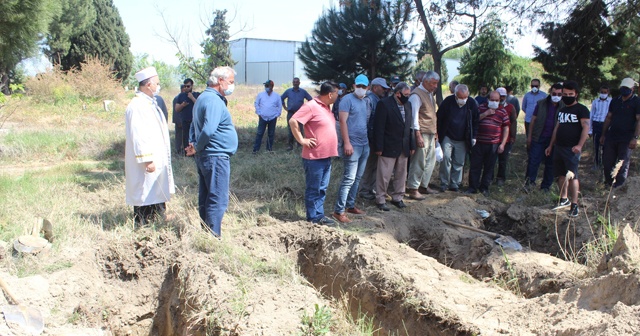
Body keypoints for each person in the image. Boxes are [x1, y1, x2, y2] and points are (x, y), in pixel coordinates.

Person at [186, 66, 238, 237]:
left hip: (207, 155)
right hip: (215, 156)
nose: (232, 85)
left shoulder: (202, 97)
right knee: (218, 198)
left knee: (207, 196)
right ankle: (213, 236)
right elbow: (208, 130)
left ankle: (206, 233)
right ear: (220, 80)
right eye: (230, 82)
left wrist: (194, 145)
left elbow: (193, 126)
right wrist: (198, 146)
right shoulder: (214, 100)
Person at [125, 67, 175, 224]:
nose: (158, 87)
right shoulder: (137, 105)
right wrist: (147, 159)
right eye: (157, 83)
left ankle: (158, 216)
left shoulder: (150, 103)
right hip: (147, 159)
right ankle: (142, 222)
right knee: (144, 190)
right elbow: (138, 135)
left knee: (156, 188)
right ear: (148, 84)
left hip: (157, 156)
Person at [290, 81, 340, 226]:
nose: (338, 96)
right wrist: (301, 140)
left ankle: (319, 215)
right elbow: (294, 121)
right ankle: (312, 218)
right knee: (314, 189)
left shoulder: (326, 107)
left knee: (322, 189)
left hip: (326, 156)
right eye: (337, 93)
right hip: (314, 158)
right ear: (330, 94)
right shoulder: (311, 106)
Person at [544, 80, 590, 218]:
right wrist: (551, 145)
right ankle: (564, 199)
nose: (567, 96)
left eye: (570, 94)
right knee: (560, 174)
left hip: (572, 149)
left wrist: (579, 146)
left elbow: (586, 128)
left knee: (573, 176)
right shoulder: (562, 110)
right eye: (565, 94)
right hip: (559, 147)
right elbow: (556, 129)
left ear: (576, 94)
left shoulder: (582, 109)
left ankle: (574, 204)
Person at [333, 74, 370, 223]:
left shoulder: (365, 102)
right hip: (352, 145)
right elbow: (342, 121)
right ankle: (338, 210)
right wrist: (346, 143)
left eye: (363, 86)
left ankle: (350, 205)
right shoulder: (347, 100)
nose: (360, 89)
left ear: (367, 87)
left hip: (364, 144)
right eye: (358, 86)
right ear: (354, 86)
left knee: (358, 178)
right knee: (349, 178)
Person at [372, 82, 415, 211]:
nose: (408, 97)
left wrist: (412, 144)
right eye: (406, 95)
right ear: (398, 94)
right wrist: (378, 147)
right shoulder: (384, 104)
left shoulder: (408, 105)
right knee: (384, 174)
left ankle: (398, 197)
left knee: (401, 174)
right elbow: (379, 128)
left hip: (403, 146)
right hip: (388, 145)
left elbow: (410, 126)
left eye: (409, 94)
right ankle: (380, 199)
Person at [437, 84, 479, 192]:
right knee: (445, 158)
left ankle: (454, 183)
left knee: (459, 162)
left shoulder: (472, 103)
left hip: (463, 138)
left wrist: (474, 136)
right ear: (455, 95)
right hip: (447, 136)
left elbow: (475, 121)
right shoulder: (448, 102)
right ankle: (444, 182)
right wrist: (437, 133)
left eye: (465, 97)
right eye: (460, 98)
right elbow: (439, 117)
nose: (463, 100)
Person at [466, 91, 510, 195]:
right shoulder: (480, 108)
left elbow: (506, 128)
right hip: (479, 143)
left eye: (497, 100)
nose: (494, 102)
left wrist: (502, 144)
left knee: (489, 167)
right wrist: (486, 114)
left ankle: (484, 188)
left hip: (493, 144)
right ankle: (472, 187)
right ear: (488, 99)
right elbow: (473, 120)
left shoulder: (502, 111)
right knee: (475, 166)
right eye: (492, 100)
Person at [407, 70, 441, 199]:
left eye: (436, 83)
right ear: (425, 82)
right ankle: (413, 188)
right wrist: (417, 135)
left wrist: (435, 131)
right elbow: (414, 117)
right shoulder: (416, 95)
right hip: (422, 133)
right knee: (418, 161)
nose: (435, 86)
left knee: (430, 162)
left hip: (430, 133)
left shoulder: (429, 94)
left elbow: (432, 115)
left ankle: (424, 186)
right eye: (433, 83)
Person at [601, 78, 640, 187]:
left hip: (627, 138)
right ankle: (608, 183)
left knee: (622, 163)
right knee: (607, 161)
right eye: (623, 88)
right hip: (612, 136)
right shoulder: (615, 100)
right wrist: (603, 134)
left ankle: (619, 186)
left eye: (627, 88)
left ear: (632, 89)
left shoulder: (637, 102)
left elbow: (638, 120)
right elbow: (609, 117)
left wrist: (635, 137)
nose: (624, 90)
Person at [526, 83, 564, 191]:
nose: (556, 96)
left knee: (551, 164)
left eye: (559, 94)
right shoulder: (541, 103)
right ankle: (529, 184)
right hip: (539, 137)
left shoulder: (564, 106)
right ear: (550, 92)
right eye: (554, 93)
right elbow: (533, 120)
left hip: (555, 140)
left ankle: (546, 186)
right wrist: (529, 136)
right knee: (533, 161)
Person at [359, 77, 390, 201]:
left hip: (374, 138)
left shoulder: (377, 99)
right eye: (382, 88)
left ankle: (369, 189)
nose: (384, 90)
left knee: (374, 165)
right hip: (370, 139)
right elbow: (366, 121)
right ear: (375, 87)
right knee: (369, 164)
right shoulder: (370, 100)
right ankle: (364, 190)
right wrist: (369, 138)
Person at [494, 87, 518, 186]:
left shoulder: (510, 107)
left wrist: (513, 136)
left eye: (504, 96)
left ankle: (501, 178)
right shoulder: (491, 106)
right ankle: (489, 177)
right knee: (490, 160)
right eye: (501, 96)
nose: (502, 98)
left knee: (503, 160)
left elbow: (513, 123)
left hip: (505, 138)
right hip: (493, 137)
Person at [281, 77, 313, 151]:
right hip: (291, 113)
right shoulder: (288, 91)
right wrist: (285, 107)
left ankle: (299, 145)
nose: (295, 83)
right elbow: (281, 98)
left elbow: (310, 99)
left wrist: (306, 109)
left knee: (300, 129)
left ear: (299, 83)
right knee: (290, 129)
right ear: (292, 83)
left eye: (297, 82)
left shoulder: (303, 92)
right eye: (294, 82)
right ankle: (290, 146)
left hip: (300, 114)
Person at [253, 79, 282, 153]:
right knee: (259, 133)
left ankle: (269, 149)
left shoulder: (276, 96)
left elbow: (279, 106)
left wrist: (277, 114)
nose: (266, 87)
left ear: (272, 86)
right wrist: (259, 113)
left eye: (267, 86)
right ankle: (256, 150)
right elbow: (256, 103)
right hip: (262, 117)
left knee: (271, 134)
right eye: (265, 85)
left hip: (272, 118)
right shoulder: (261, 95)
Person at [175, 78, 200, 155]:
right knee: (185, 138)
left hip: (195, 121)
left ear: (192, 86)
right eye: (184, 86)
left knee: (195, 137)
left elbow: (200, 106)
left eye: (188, 86)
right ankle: (187, 153)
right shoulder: (181, 96)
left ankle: (196, 152)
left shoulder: (197, 95)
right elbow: (177, 109)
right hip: (185, 120)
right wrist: (182, 105)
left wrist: (192, 98)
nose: (186, 88)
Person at [590, 84, 612, 169]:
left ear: (608, 92)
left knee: (606, 145)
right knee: (596, 144)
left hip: (606, 124)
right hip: (596, 123)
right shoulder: (595, 101)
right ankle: (596, 163)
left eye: (605, 92)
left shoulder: (611, 101)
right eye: (602, 92)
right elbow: (591, 114)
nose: (603, 94)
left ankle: (604, 163)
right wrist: (590, 129)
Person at [172, 84, 186, 155]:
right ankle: (178, 150)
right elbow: (176, 112)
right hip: (179, 122)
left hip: (185, 121)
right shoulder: (177, 98)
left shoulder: (186, 97)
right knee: (179, 136)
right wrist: (178, 121)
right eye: (184, 88)